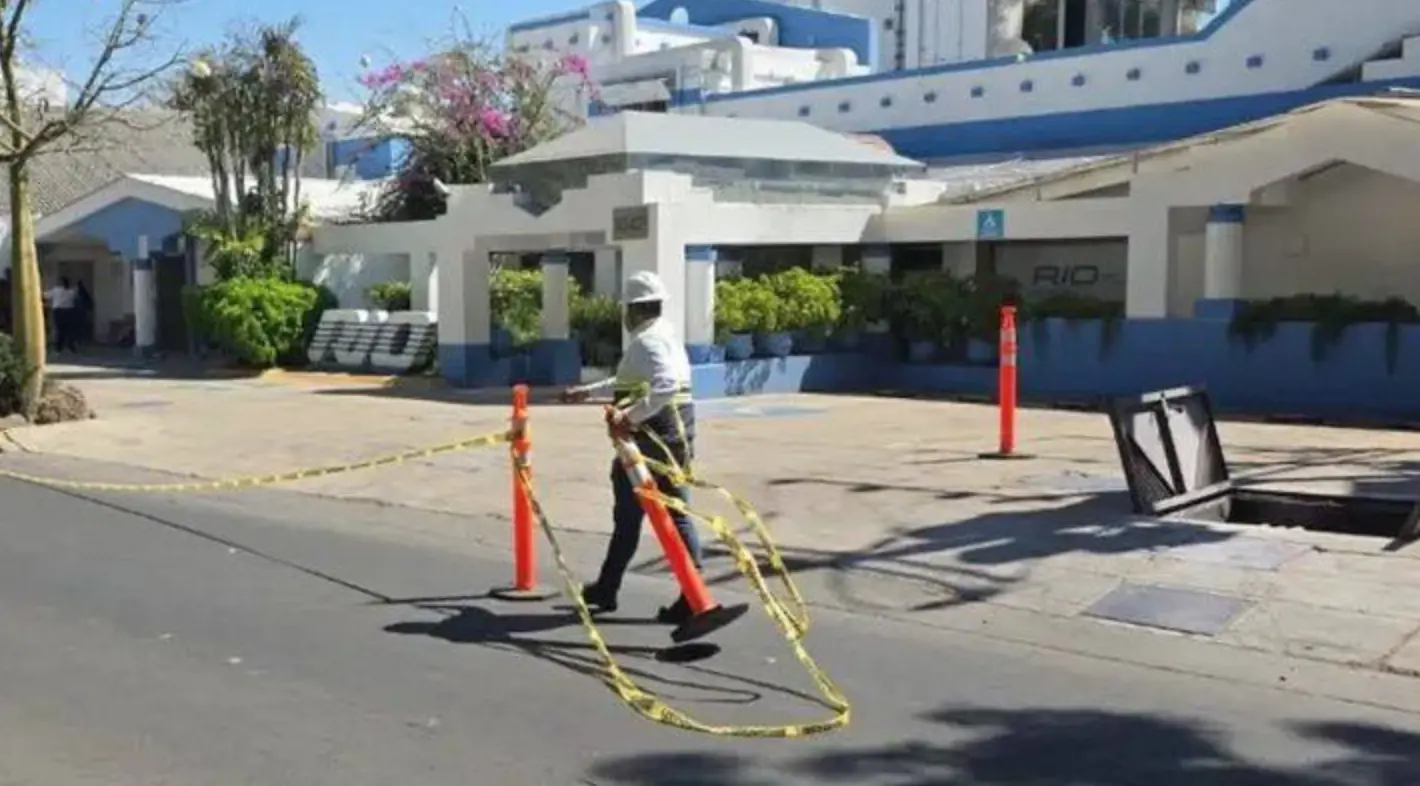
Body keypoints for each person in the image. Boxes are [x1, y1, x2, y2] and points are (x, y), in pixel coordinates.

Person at [561, 270, 700, 625]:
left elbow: (665, 386)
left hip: (659, 439)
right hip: (651, 439)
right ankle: (607, 587)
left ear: (633, 309)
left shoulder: (650, 341)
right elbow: (632, 381)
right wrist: (589, 392)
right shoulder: (657, 337)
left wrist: (630, 416)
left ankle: (692, 592)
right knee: (628, 511)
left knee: (673, 510)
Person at [44, 277, 78, 353]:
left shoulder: (56, 290)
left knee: (59, 329)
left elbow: (45, 296)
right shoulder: (72, 292)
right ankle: (71, 345)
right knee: (69, 329)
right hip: (69, 311)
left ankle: (59, 347)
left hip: (58, 311)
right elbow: (75, 299)